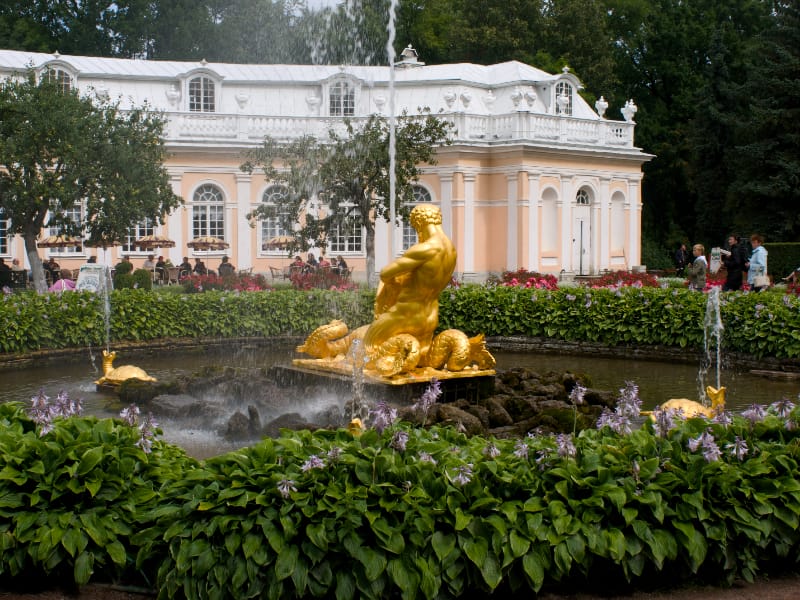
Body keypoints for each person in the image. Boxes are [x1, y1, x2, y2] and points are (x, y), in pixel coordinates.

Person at [363, 205, 456, 360]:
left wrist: (393, 285)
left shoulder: (425, 249)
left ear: (418, 223)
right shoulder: (451, 250)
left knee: (367, 350)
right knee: (419, 362)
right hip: (430, 318)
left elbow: (385, 273)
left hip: (405, 315)